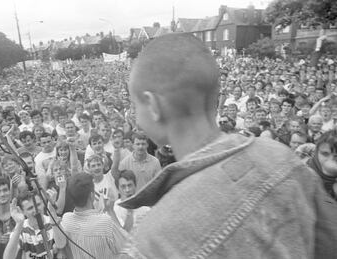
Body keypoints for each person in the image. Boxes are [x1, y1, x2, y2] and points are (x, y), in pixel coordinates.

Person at [119, 33, 337, 258]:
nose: (136, 117)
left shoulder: (151, 242)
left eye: (135, 105)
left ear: (153, 105)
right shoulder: (282, 156)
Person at [61, 173, 128, 259]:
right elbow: (127, 247)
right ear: (92, 196)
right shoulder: (104, 222)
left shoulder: (66, 220)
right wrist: (110, 211)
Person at [3, 195, 66, 259]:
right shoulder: (20, 228)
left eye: (38, 204)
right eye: (30, 208)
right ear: (23, 212)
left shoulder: (53, 222)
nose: (36, 210)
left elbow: (62, 245)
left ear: (43, 204)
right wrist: (19, 224)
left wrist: (53, 217)